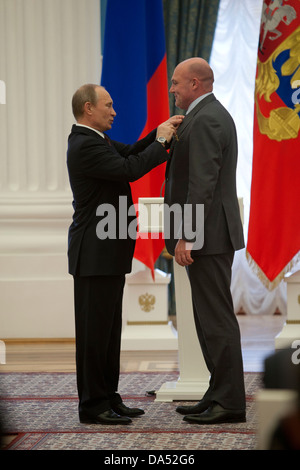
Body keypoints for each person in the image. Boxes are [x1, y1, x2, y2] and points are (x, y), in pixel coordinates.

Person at [67, 84, 183, 425]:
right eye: (108, 105)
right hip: (93, 254)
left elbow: (131, 151)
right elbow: (129, 170)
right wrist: (161, 142)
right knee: (93, 334)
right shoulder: (83, 144)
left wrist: (158, 132)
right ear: (89, 108)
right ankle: (92, 405)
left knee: (107, 331)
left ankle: (108, 397)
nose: (114, 111)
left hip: (108, 251)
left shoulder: (97, 140)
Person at [164, 58, 246, 424]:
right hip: (209, 235)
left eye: (176, 83)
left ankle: (229, 403)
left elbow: (202, 184)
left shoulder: (209, 118)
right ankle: (217, 393)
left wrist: (188, 235)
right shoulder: (202, 116)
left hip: (208, 236)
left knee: (217, 320)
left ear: (195, 83)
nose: (172, 89)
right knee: (206, 319)